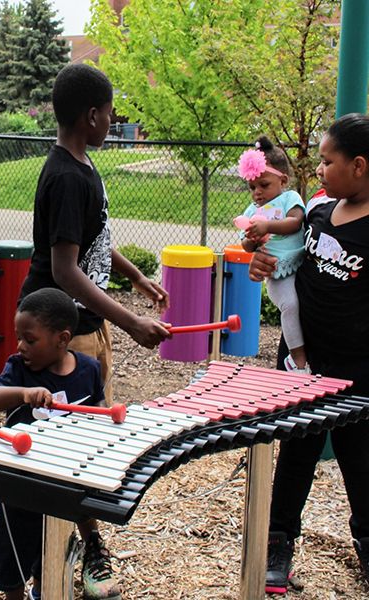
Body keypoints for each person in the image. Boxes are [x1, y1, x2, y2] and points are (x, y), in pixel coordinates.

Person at [248, 114, 369, 594]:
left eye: (327, 161)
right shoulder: (317, 212)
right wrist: (261, 260)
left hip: (357, 369)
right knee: (295, 452)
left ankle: (366, 541)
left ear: (359, 166)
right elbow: (282, 257)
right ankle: (279, 543)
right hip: (301, 364)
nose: (319, 169)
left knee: (359, 459)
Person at [19, 63, 170, 403]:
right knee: (66, 433)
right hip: (57, 332)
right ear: (90, 117)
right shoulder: (66, 178)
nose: (111, 122)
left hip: (85, 322)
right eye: (108, 114)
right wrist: (131, 323)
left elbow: (93, 241)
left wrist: (136, 277)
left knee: (97, 417)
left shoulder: (83, 165)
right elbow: (65, 270)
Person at [0, 288, 121, 600]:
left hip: (63, 480)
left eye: (30, 340)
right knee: (12, 563)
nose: (21, 346)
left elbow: (98, 410)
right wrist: (23, 394)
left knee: (52, 557)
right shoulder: (19, 369)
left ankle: (88, 554)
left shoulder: (88, 369)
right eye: (19, 337)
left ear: (62, 339)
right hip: (19, 484)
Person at [236, 135, 308, 373]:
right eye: (252, 187)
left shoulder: (290, 198)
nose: (257, 192)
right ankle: (297, 358)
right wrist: (252, 240)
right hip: (278, 271)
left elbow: (295, 223)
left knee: (302, 304)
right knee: (290, 306)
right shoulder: (252, 210)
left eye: (264, 185)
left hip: (299, 261)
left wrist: (267, 226)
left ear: (283, 180)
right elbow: (246, 246)